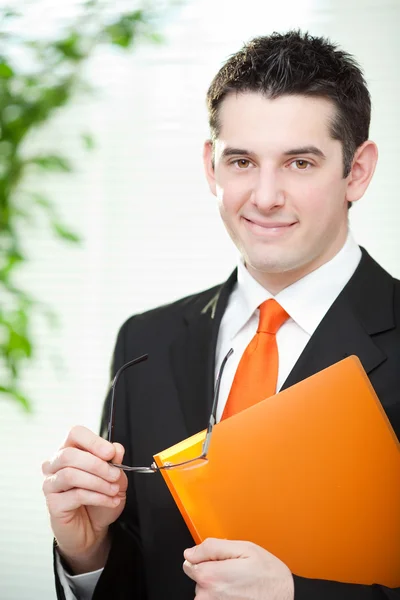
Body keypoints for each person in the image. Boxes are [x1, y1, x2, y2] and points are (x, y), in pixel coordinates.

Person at [42, 30, 400, 600]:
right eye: (241, 161)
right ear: (212, 166)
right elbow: (147, 573)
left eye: (299, 163)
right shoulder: (146, 342)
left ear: (356, 171)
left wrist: (294, 596)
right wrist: (87, 551)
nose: (264, 196)